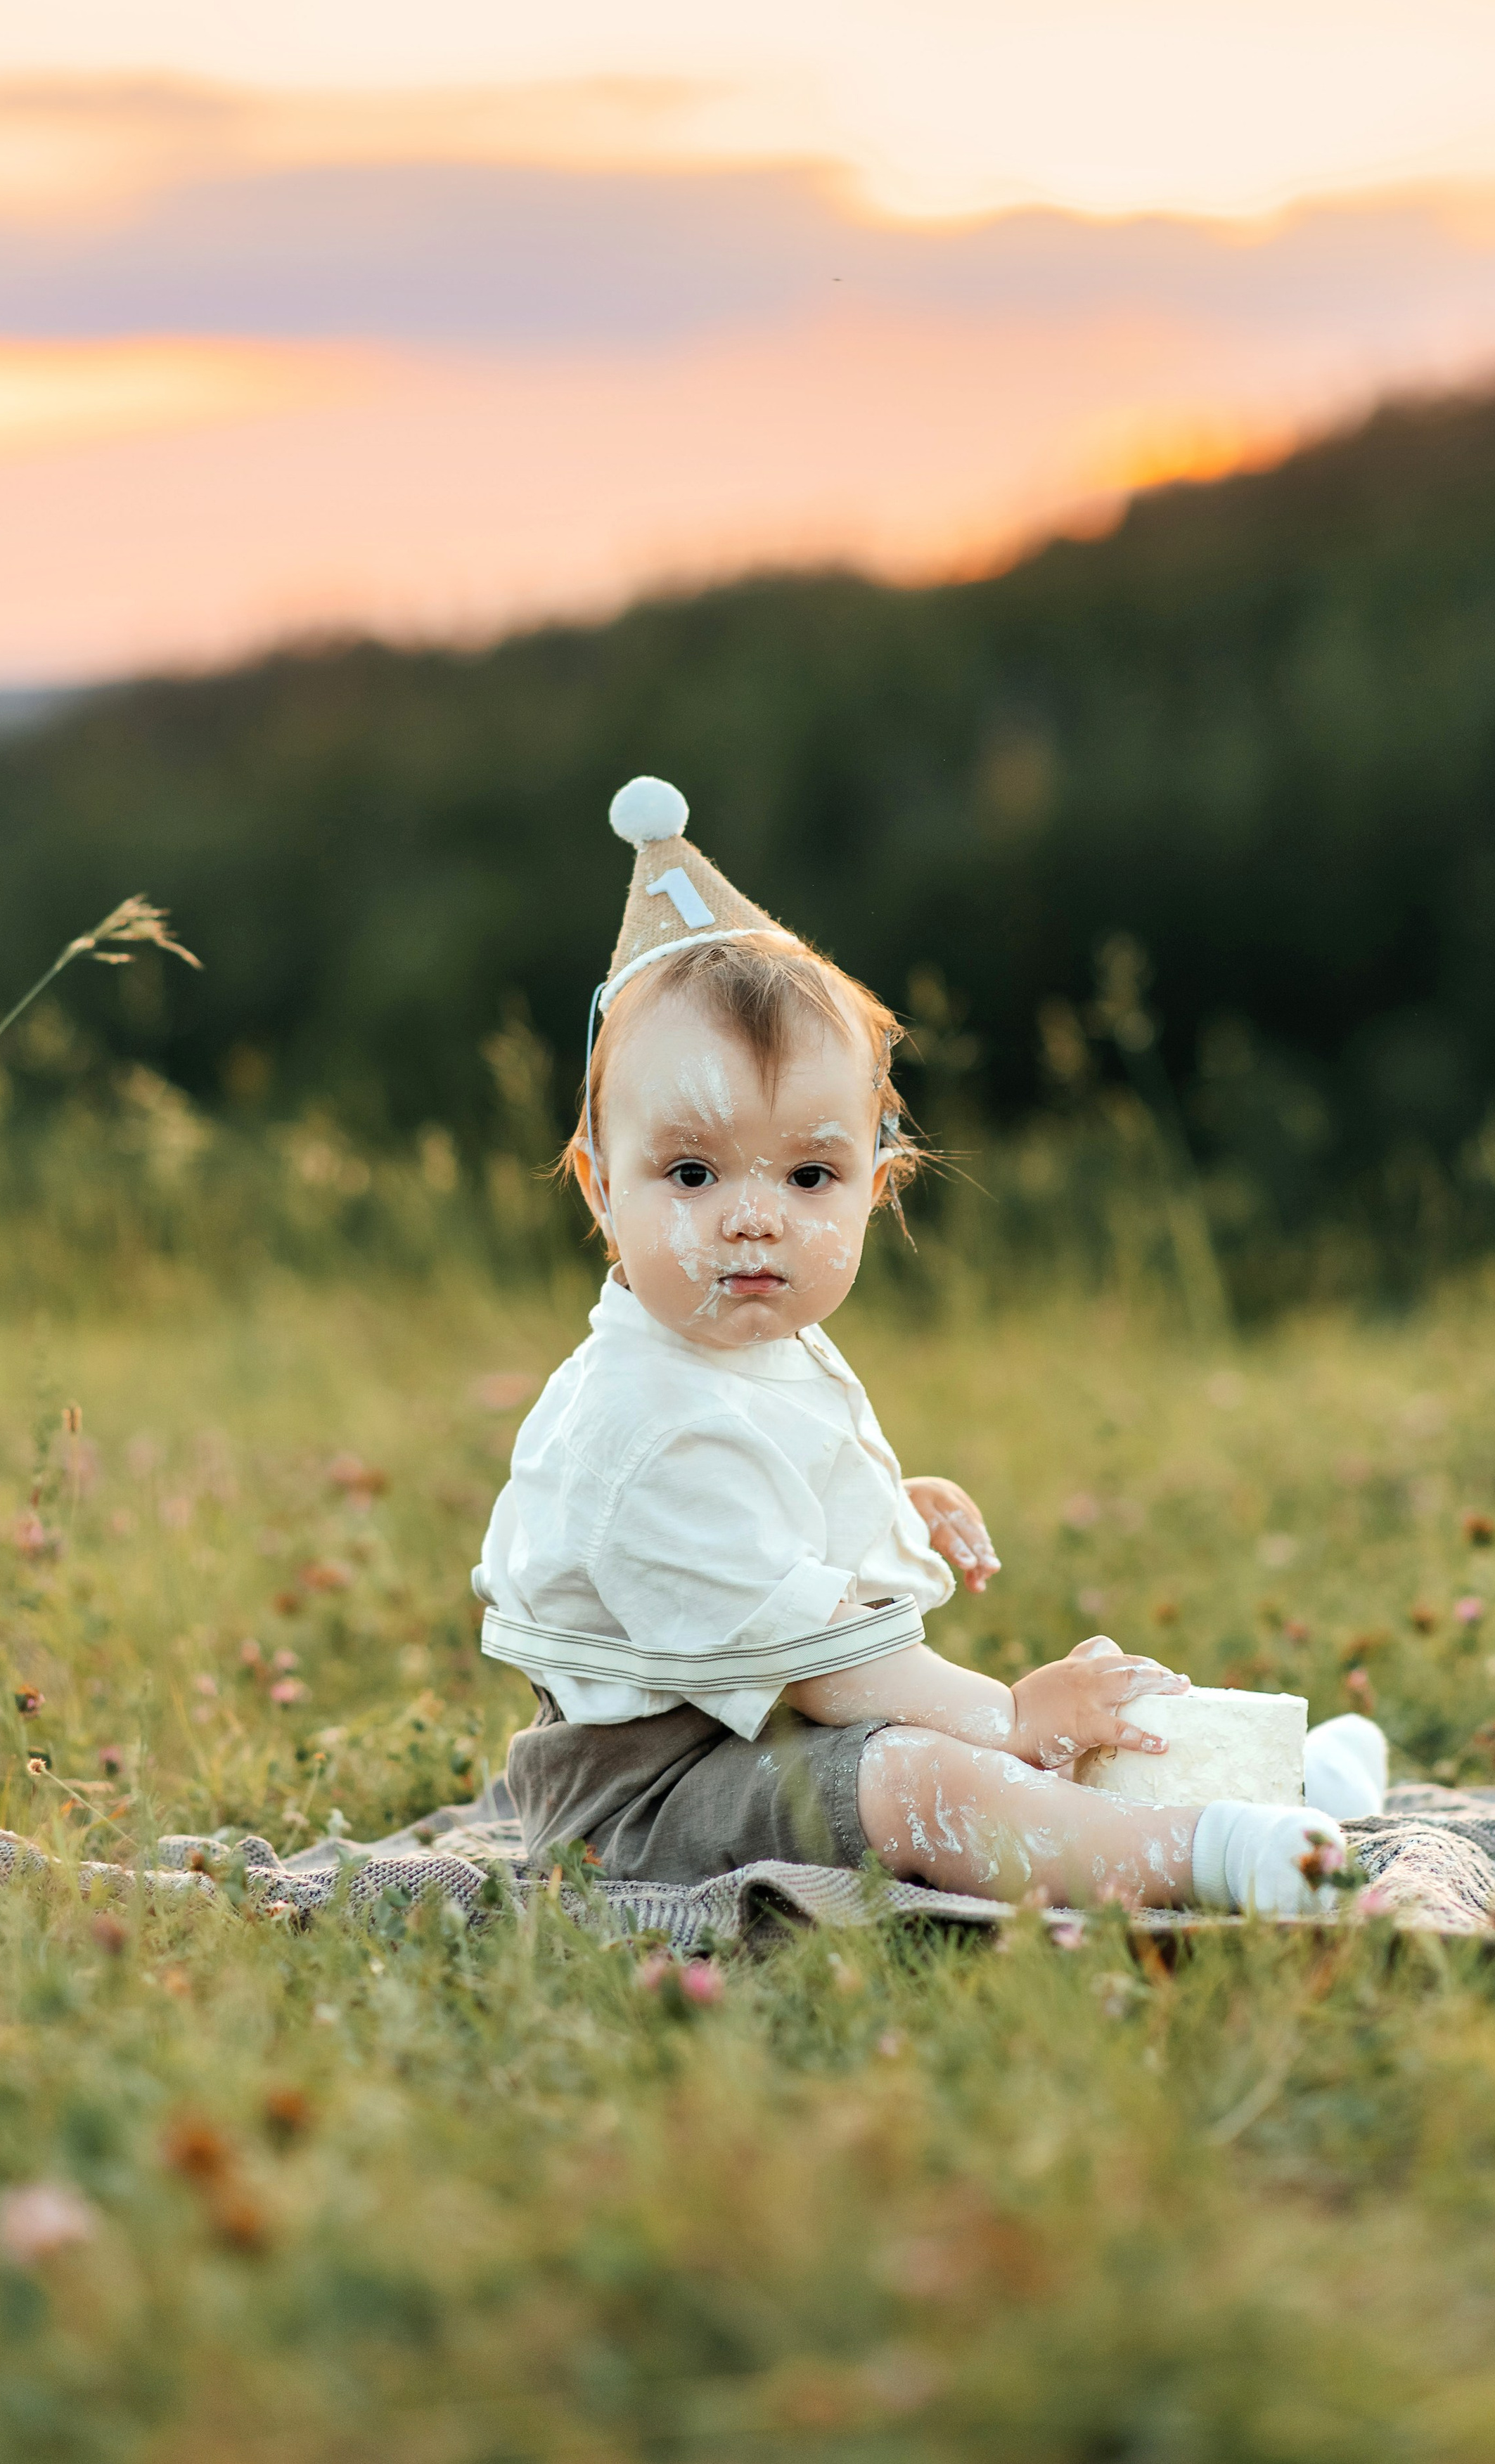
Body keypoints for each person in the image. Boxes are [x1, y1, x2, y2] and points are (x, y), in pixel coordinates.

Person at [473, 778, 1364, 1914]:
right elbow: (828, 1669)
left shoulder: (736, 1337)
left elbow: (775, 1505)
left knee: (986, 1734)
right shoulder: (642, 1429)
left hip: (764, 1733)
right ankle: (1203, 1854)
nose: (755, 1216)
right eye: (693, 1173)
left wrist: (890, 1511)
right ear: (603, 1188)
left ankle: (1261, 1789)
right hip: (648, 1803)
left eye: (809, 1175)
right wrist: (1006, 1713)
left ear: (874, 1186)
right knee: (925, 1771)